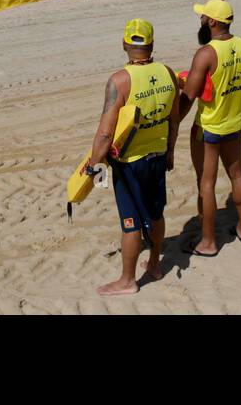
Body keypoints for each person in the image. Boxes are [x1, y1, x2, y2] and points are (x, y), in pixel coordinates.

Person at [88, 18, 181, 296]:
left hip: (130, 163)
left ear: (125, 44)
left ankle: (128, 281)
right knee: (155, 212)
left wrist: (94, 165)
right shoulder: (168, 73)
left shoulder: (119, 81)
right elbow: (173, 120)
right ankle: (154, 264)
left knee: (130, 223)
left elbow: (106, 133)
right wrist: (171, 151)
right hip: (158, 154)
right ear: (151, 44)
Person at [180, 0, 241, 257]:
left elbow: (190, 95)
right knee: (237, 174)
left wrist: (173, 123)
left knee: (205, 183)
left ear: (212, 21)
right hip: (233, 123)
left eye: (203, 16)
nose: (201, 20)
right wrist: (240, 105)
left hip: (208, 128)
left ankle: (208, 242)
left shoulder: (207, 53)